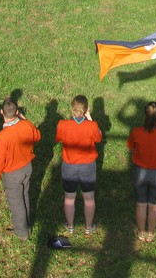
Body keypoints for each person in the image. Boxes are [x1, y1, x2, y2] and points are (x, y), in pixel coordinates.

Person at [0, 98, 41, 240]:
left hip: (12, 173)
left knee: (16, 202)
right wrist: (25, 120)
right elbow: (37, 136)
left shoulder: (2, 137)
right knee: (24, 195)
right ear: (17, 112)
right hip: (27, 167)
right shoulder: (26, 125)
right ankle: (26, 223)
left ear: (1, 112)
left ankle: (21, 232)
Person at [126, 101, 156, 243]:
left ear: (145, 115)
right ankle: (150, 232)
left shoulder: (136, 131)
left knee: (141, 204)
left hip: (140, 172)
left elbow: (131, 145)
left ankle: (141, 231)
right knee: (154, 205)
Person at [55, 95, 101, 235]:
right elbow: (98, 138)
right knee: (89, 197)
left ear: (71, 108)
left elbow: (57, 138)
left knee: (69, 197)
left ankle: (70, 226)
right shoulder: (92, 125)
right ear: (87, 109)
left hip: (69, 165)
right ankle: (88, 227)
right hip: (88, 166)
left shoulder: (62, 124)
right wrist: (90, 117)